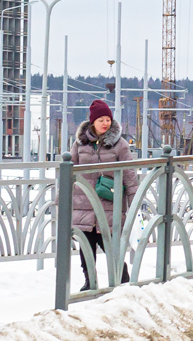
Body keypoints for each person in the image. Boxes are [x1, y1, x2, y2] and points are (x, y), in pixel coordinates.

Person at [71, 99, 139, 290]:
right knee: (86, 246)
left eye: (107, 119)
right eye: (101, 119)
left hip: (109, 204)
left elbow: (130, 175)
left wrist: (134, 202)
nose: (105, 123)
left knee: (112, 247)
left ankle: (123, 280)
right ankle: (89, 281)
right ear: (92, 122)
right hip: (82, 203)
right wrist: (63, 202)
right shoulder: (79, 144)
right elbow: (69, 171)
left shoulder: (120, 145)